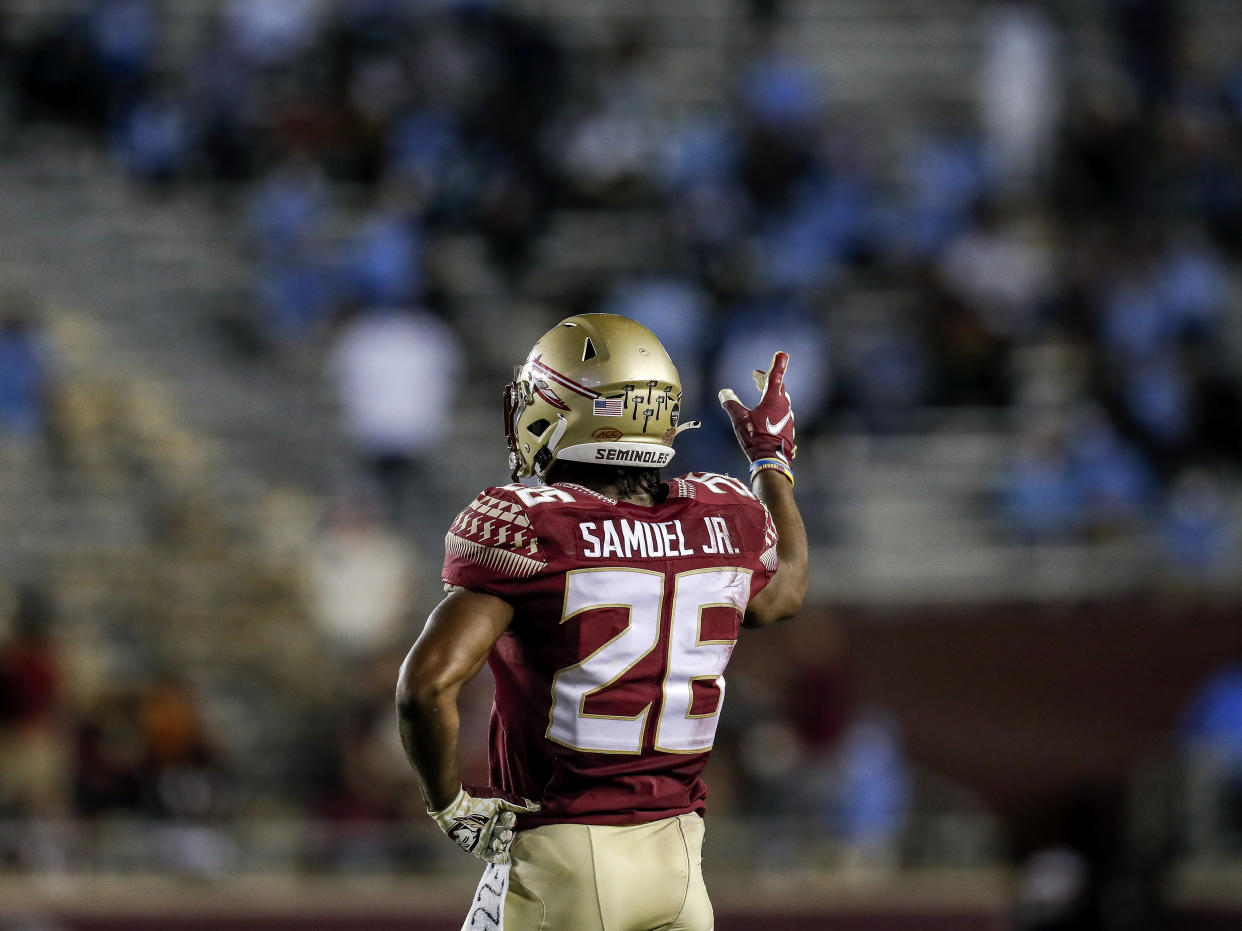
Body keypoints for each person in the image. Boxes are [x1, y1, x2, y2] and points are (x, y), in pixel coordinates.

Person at [395, 313, 808, 930]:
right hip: (682, 865)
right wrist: (772, 460)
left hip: (567, 858)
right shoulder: (723, 515)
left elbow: (426, 686)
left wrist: (450, 806)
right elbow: (784, 592)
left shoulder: (532, 525)